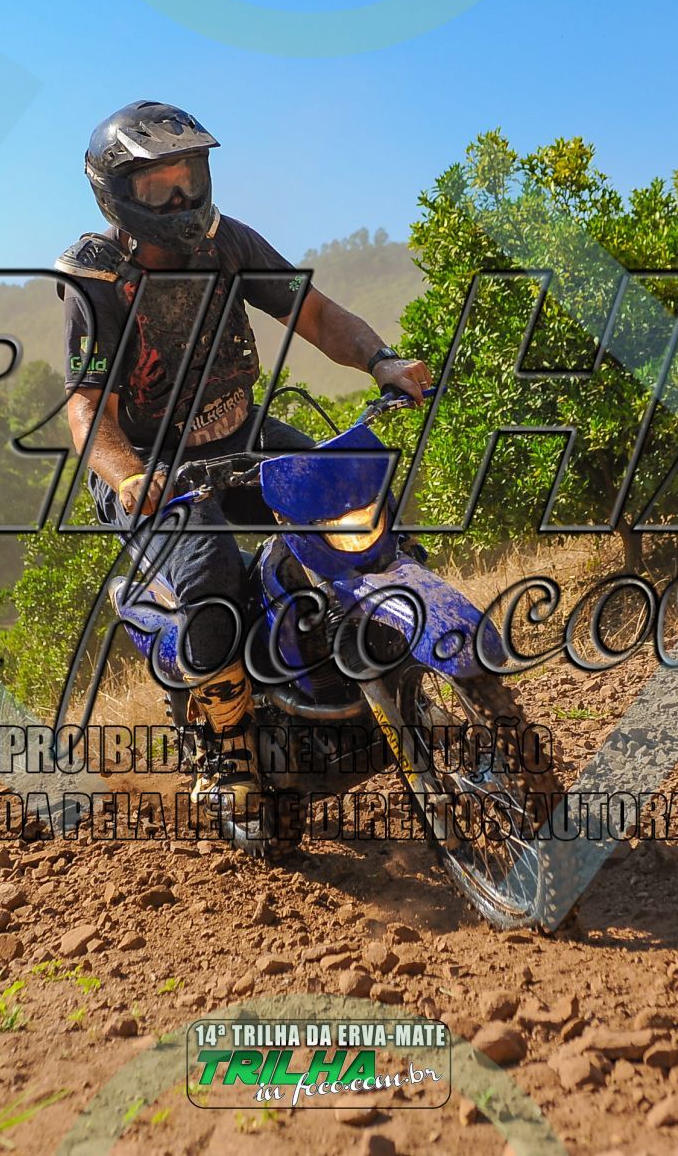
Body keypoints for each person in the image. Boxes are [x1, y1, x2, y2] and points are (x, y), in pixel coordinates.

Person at [56, 100, 430, 844]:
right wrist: (128, 475)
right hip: (149, 465)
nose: (181, 199)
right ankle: (230, 753)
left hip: (238, 430)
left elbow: (315, 314)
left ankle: (382, 659)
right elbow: (86, 408)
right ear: (117, 195)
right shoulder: (96, 277)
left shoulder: (228, 243)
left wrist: (382, 360)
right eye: (159, 185)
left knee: (355, 505)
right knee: (211, 573)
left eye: (189, 176)